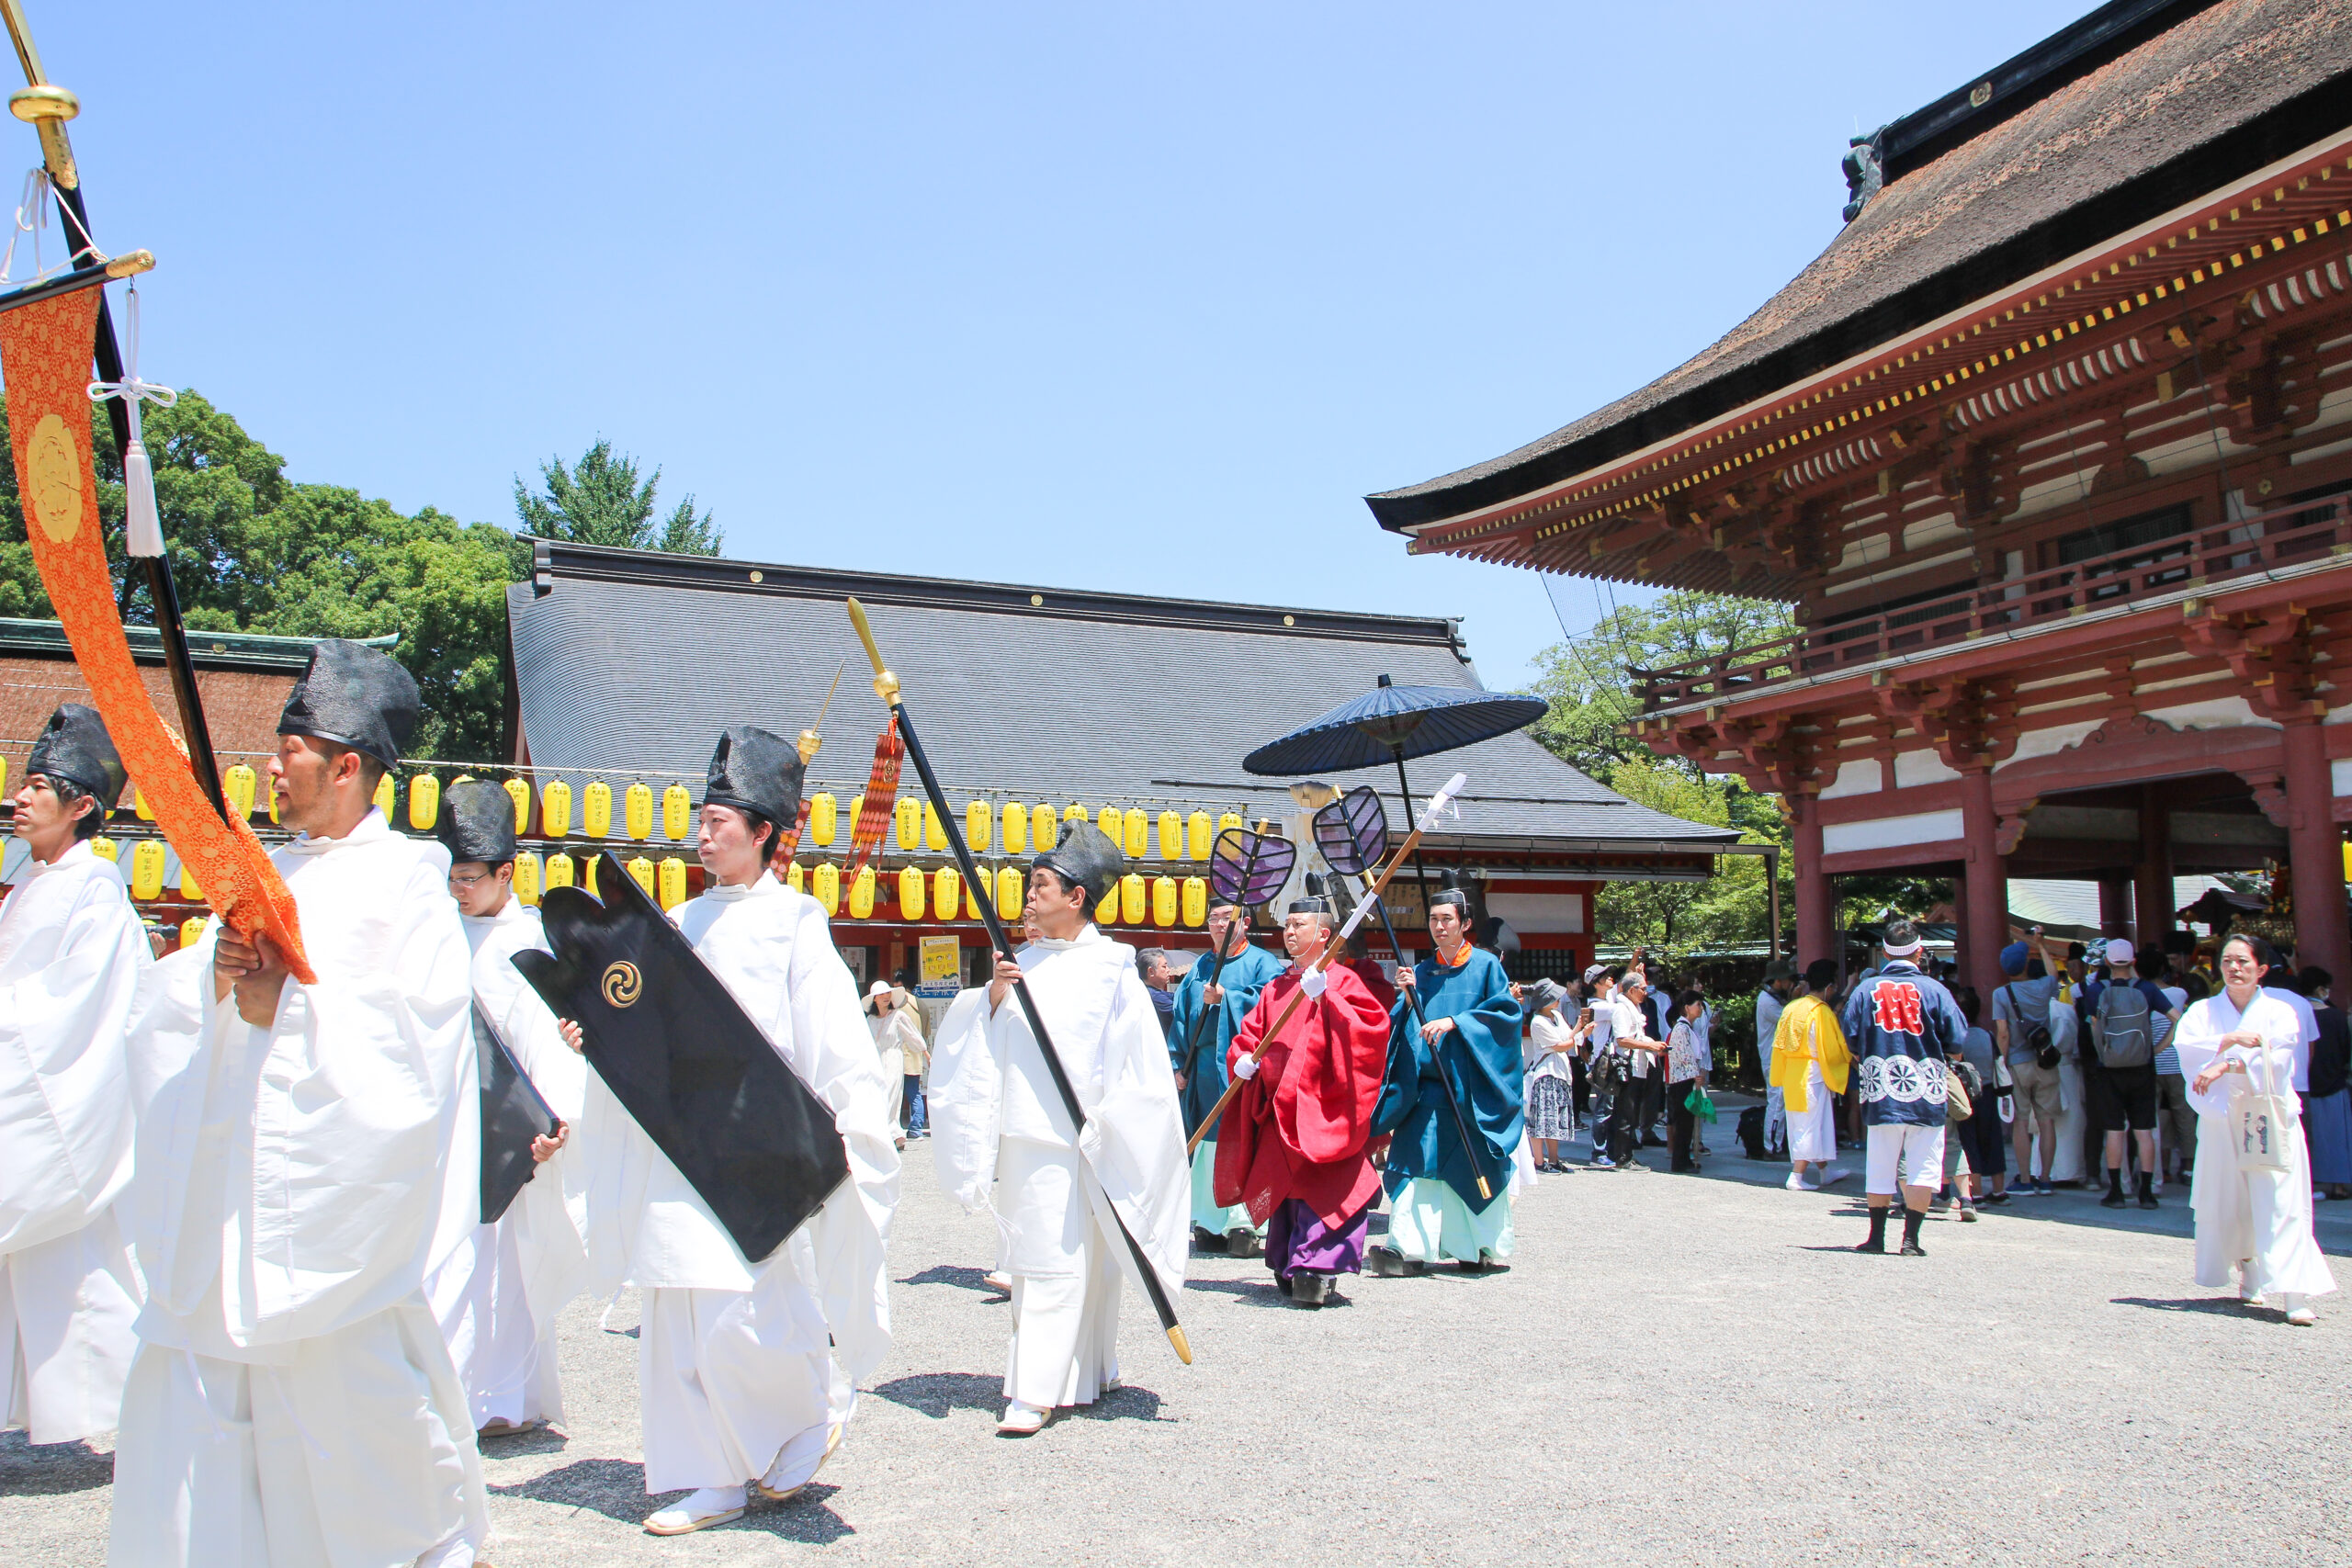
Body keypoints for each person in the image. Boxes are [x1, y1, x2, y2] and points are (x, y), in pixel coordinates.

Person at [112, 641, 489, 1567]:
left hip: (326, 1220)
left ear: (348, 764)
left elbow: (416, 1048)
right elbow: (166, 1020)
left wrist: (286, 1007)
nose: (271, 766)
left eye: (291, 747)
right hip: (225, 1197)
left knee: (350, 1431)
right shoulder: (264, 870)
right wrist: (216, 973)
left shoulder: (407, 882)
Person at [558, 726, 898, 1533]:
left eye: (721, 821)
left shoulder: (795, 919)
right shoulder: (673, 920)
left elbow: (830, 1038)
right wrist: (595, 1034)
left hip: (757, 1137)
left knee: (748, 1309)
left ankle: (811, 1411)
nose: (704, 833)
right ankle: (707, 1475)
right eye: (702, 819)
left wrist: (847, 1129)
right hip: (683, 1139)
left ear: (766, 834)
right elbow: (647, 1026)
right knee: (674, 1302)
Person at [928, 821, 1186, 1437]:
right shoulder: (1020, 962)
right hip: (1031, 1133)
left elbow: (1139, 1060)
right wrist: (991, 995)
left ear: (1077, 897)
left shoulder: (1113, 965)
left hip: (1092, 1130)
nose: (1031, 894)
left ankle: (1087, 1368)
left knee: (1095, 1260)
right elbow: (985, 1036)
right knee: (1042, 1256)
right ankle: (1037, 1384)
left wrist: (1114, 1121)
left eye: (1043, 884)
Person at [2, 705, 149, 1449]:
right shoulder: (34, 879)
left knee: (81, 1266)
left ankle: (130, 1408)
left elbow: (71, 1012)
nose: (20, 800)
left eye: (38, 786)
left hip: (63, 1107)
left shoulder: (94, 890)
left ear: (83, 804)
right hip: (31, 1101)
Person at [427, 779, 587, 1440]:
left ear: (505, 872)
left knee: (504, 1268)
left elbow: (555, 1035)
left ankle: (504, 1397)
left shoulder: (531, 943)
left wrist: (552, 1122)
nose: (460, 890)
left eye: (471, 878)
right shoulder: (431, 934)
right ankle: (442, 1394)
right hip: (439, 1126)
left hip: (506, 1127)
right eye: (453, 877)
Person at [1212, 897, 1393, 1306]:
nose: (1289, 933)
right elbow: (1251, 1033)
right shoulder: (1277, 985)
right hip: (1279, 1106)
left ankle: (1318, 1266)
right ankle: (1287, 1258)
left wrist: (1329, 998)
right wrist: (1241, 1057)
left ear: (1324, 933)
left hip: (1324, 1106)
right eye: (1287, 926)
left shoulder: (1343, 980)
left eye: (1298, 925)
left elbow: (1372, 1030)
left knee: (1325, 1185)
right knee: (1288, 1187)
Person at [2175, 934, 2336, 1325]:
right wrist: (2228, 1039)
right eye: (2228, 961)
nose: (2234, 968)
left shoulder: (2282, 1011)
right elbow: (2187, 1049)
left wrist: (2228, 1064)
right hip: (2221, 1116)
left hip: (2267, 1115)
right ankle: (2249, 1267)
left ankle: (2295, 1292)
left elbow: (2280, 1061)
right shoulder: (2202, 1012)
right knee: (2228, 1199)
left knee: (2281, 1201)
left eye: (2243, 962)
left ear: (2261, 969)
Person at [1368, 890, 1525, 1273]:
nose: (1439, 927)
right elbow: (1400, 1028)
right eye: (1434, 920)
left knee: (1471, 1168)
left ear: (1465, 923)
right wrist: (1406, 1000)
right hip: (1424, 1090)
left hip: (1469, 1090)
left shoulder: (1487, 966)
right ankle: (1407, 1248)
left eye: (1447, 920)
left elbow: (1505, 1017)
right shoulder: (1421, 972)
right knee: (1415, 1165)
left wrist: (1458, 1023)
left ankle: (1476, 1247)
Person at [1840, 921, 1968, 1256]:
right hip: (1926, 1087)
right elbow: (1956, 1042)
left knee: (1881, 1163)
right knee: (1924, 1165)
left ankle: (1876, 1237)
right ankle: (1911, 1239)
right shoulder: (1936, 990)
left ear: (1883, 952)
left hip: (1881, 1086)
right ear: (1919, 951)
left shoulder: (1865, 991)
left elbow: (1850, 1038)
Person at [1166, 902, 1283, 1254]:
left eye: (1226, 919)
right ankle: (1209, 1219)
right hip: (1202, 1066)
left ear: (1244, 923)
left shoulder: (1263, 962)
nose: (1219, 925)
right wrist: (1178, 1064)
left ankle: (1244, 1221)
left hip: (1241, 1068)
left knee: (1241, 1138)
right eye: (1213, 919)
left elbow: (1274, 1003)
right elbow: (1182, 1014)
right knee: (1206, 1144)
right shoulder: (1202, 965)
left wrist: (1228, 998)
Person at [2088, 942, 2177, 1211]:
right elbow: (2176, 1017)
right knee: (2144, 1131)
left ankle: (2116, 1192)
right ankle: (2147, 1194)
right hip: (2142, 1066)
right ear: (2132, 961)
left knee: (2115, 1131)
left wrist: (2102, 1053)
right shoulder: (2147, 989)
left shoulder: (2096, 990)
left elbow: (2094, 1027)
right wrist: (2157, 1048)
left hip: (2109, 1068)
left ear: (2107, 961)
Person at [1770, 959, 1850, 1191]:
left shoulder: (1792, 1007)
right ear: (1828, 986)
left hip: (1793, 1073)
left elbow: (1779, 1045)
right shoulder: (1821, 1012)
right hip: (1813, 1073)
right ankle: (1797, 1176)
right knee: (1811, 1124)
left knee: (1810, 1123)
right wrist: (1850, 1057)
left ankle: (1824, 1171)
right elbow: (1833, 1048)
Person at [1996, 939, 2064, 1196]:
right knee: (2046, 1122)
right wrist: (2042, 945)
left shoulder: (2001, 994)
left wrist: (2001, 1064)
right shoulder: (2044, 986)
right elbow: (2053, 973)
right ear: (2025, 964)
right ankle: (2045, 1178)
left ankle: (2025, 1179)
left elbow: (2003, 1033)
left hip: (2017, 1062)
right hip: (2045, 1059)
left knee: (2021, 1122)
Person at [1946, 987, 2007, 1211]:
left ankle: (1977, 1191)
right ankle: (1999, 1189)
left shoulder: (1957, 1038)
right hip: (1989, 1091)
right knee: (1992, 1139)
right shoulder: (1987, 1035)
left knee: (1968, 1141)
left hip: (1965, 1094)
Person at [2297, 967, 2352, 1201]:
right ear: (2321, 989)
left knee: (2308, 1138)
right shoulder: (2338, 1017)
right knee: (2338, 1137)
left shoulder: (2297, 1015)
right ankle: (2339, 1185)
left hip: (2305, 1085)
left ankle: (2311, 1184)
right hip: (2335, 1084)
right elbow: (2345, 1052)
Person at [1522, 979, 1577, 1172]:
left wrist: (1578, 1029)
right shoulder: (1537, 1021)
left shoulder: (1556, 1016)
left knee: (1555, 1120)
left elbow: (1568, 1037)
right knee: (1540, 1121)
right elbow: (1560, 1045)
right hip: (1545, 1074)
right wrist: (1580, 1031)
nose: (1557, 1001)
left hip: (1561, 1072)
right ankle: (1539, 1161)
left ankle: (1554, 1160)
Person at [867, 981, 926, 1151]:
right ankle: (895, 1134)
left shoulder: (898, 1016)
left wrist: (925, 1054)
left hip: (893, 1058)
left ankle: (885, 1134)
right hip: (875, 1060)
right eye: (881, 995)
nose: (885, 997)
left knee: (891, 1096)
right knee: (877, 1096)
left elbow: (913, 1036)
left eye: (887, 994)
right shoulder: (870, 1019)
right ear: (874, 999)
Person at [1664, 987, 1709, 1173]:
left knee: (1687, 1123)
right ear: (1687, 1007)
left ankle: (1685, 1159)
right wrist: (1695, 1075)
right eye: (1697, 1005)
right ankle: (1680, 1162)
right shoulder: (1681, 1028)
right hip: (1682, 1081)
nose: (1700, 1008)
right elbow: (1684, 1055)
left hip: (1686, 1079)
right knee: (1683, 1123)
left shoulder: (1687, 1028)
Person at [1138, 946, 1176, 1038]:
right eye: (1164, 966)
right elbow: (1181, 1012)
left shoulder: (1143, 991)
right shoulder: (1154, 996)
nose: (1168, 970)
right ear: (1151, 971)